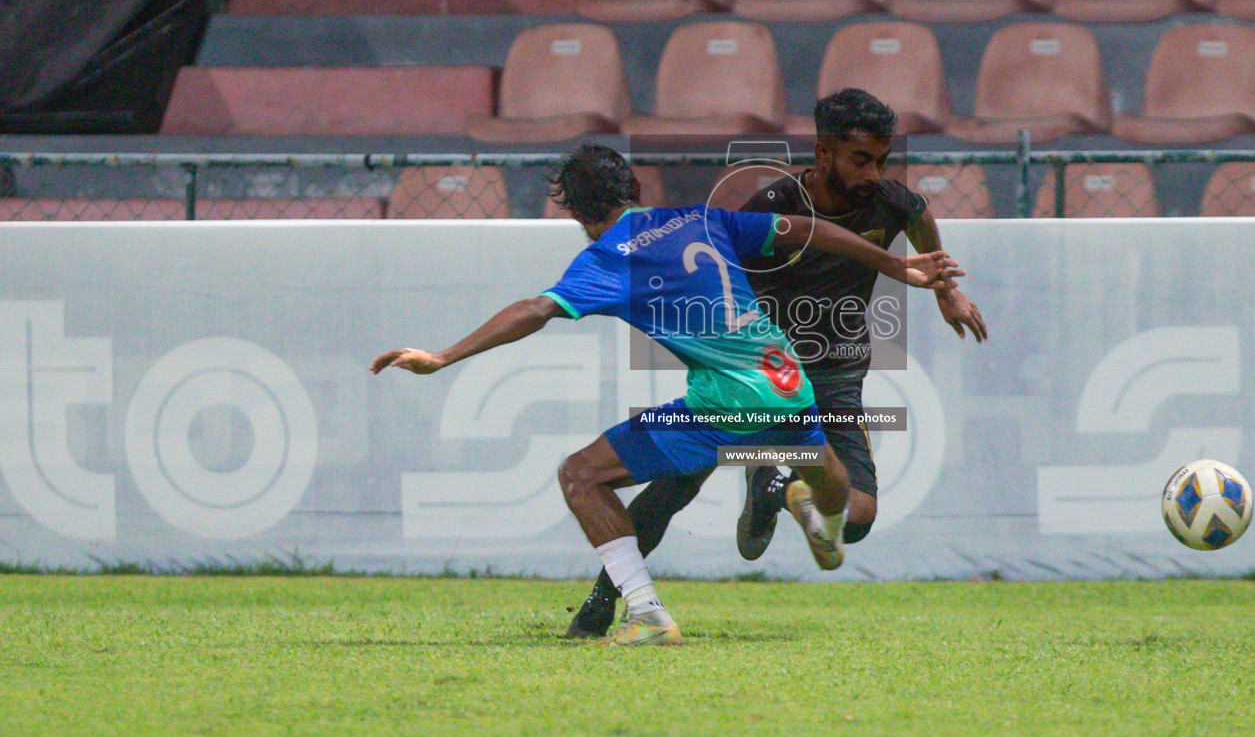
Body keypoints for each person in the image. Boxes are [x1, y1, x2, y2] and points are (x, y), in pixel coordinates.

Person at [371, 142, 963, 646]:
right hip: (787, 380)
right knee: (822, 463)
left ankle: (646, 613)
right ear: (631, 187)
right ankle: (819, 520)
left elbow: (535, 309)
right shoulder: (700, 218)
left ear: (570, 207)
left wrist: (444, 356)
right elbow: (806, 229)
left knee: (581, 475)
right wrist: (894, 263)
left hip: (727, 405)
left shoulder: (606, 260)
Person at [566, 88, 987, 638]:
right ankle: (603, 602)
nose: (873, 173)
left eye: (882, 160)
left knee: (855, 520)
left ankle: (777, 479)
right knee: (673, 486)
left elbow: (921, 224)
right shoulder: (771, 207)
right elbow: (701, 263)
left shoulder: (892, 203)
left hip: (835, 377)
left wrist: (945, 293)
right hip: (756, 375)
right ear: (823, 153)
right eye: (861, 159)